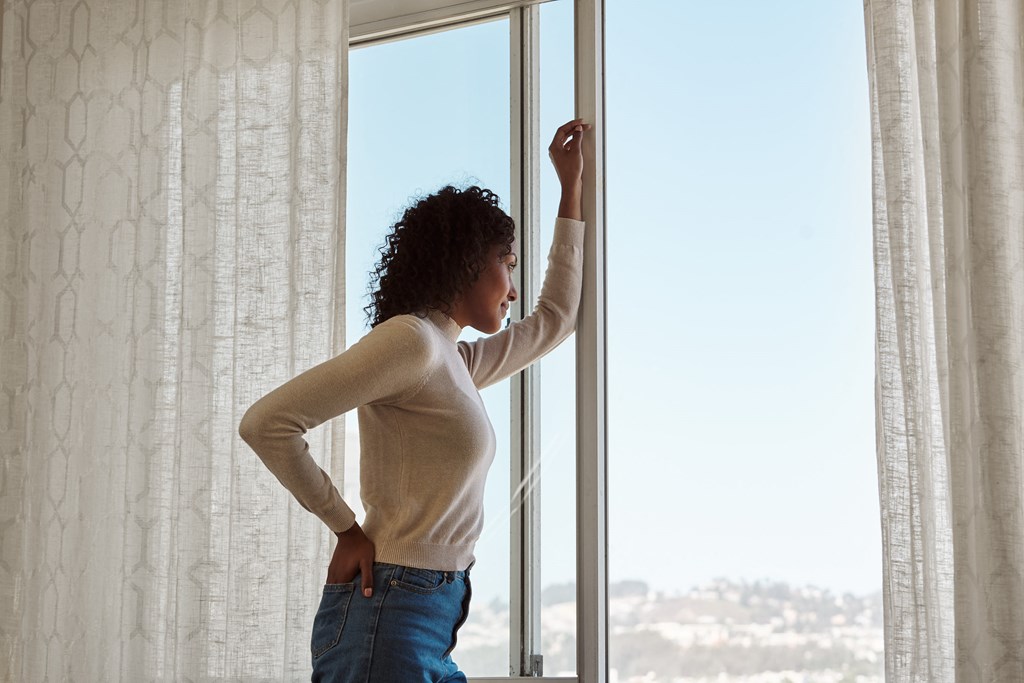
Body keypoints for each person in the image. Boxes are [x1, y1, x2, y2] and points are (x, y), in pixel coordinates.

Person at [238, 118, 590, 682]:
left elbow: (554, 321)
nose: (513, 289)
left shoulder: (455, 360)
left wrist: (571, 191)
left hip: (428, 611)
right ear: (467, 261)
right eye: (508, 264)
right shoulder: (411, 342)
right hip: (393, 609)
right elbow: (266, 423)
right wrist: (345, 527)